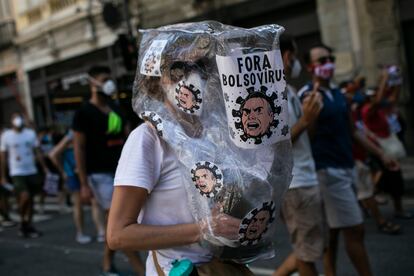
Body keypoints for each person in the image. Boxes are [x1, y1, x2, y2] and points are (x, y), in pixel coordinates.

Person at [298, 44, 398, 276]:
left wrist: (381, 153)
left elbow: (353, 131)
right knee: (355, 229)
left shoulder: (337, 94)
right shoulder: (308, 95)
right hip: (327, 171)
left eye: (330, 58)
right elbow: (308, 137)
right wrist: (309, 115)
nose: (328, 64)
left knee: (331, 234)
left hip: (347, 167)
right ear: (310, 66)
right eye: (322, 61)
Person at [72, 66, 144, 275]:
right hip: (99, 175)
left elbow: (129, 139)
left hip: (122, 173)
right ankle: (142, 271)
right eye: (104, 79)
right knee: (121, 223)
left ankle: (106, 264)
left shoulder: (116, 109)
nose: (108, 83)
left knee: (114, 223)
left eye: (109, 79)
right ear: (92, 83)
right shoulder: (83, 113)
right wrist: (84, 183)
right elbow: (79, 148)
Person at [273, 35, 325, 276]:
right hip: (296, 185)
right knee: (306, 255)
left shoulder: (291, 90)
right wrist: (304, 120)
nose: (294, 63)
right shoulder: (272, 94)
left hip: (306, 179)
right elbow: (279, 146)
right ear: (284, 57)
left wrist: (310, 116)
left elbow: (306, 139)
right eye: (292, 57)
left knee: (308, 249)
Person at [49, 130, 106, 244]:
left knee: (95, 201)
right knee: (78, 203)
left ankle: (101, 232)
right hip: (73, 175)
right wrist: (64, 171)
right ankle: (80, 233)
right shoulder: (73, 135)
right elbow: (53, 154)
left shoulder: (86, 134)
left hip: (87, 172)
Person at [0, 113, 48, 238]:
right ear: (11, 121)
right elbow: (3, 157)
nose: (17, 120)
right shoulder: (6, 136)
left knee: (31, 200)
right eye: (15, 117)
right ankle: (22, 218)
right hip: (17, 172)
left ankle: (27, 224)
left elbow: (37, 152)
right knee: (24, 196)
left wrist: (44, 168)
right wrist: (3, 175)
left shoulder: (30, 134)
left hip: (31, 171)